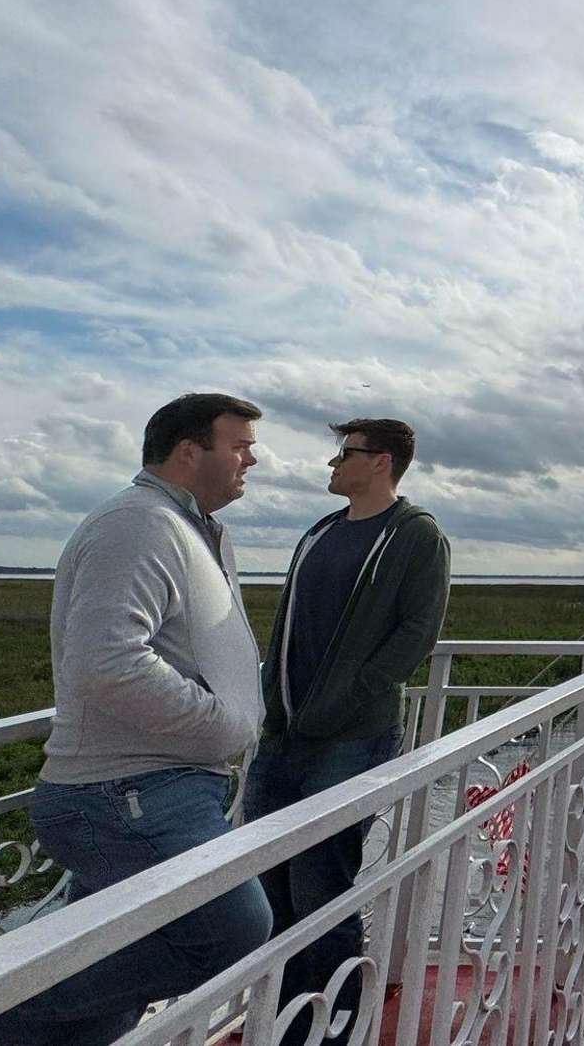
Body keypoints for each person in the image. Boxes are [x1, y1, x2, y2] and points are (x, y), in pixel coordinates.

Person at [0, 393, 272, 1046]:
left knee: (102, 1004)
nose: (252, 458)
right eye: (238, 445)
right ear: (190, 452)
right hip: (128, 793)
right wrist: (220, 723)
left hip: (159, 788)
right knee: (230, 928)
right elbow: (105, 662)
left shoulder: (190, 529)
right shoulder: (138, 524)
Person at [242, 417, 450, 1042]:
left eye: (345, 454)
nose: (332, 465)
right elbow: (288, 627)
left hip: (350, 737)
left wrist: (352, 695)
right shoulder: (320, 533)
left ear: (381, 462)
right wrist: (270, 701)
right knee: (267, 882)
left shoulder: (415, 536)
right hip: (282, 734)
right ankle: (279, 1017)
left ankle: (331, 1025)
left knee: (321, 887)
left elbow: (416, 632)